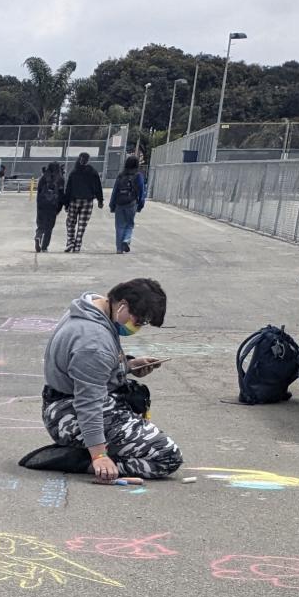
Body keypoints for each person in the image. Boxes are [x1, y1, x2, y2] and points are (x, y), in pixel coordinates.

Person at [40, 278, 180, 481]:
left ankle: (94, 449)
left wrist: (128, 366)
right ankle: (82, 460)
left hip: (64, 402)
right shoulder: (94, 341)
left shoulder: (91, 307)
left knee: (143, 432)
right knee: (167, 456)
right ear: (122, 305)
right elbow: (88, 402)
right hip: (69, 414)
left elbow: (85, 371)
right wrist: (99, 455)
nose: (138, 327)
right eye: (139, 321)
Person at [63, 151, 103, 252]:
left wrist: (66, 203)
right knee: (82, 225)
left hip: (74, 200)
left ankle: (70, 242)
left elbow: (68, 189)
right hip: (87, 201)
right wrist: (100, 200)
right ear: (88, 160)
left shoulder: (73, 172)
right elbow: (98, 187)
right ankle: (77, 246)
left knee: (70, 223)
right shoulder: (93, 172)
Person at [109, 152, 148, 253]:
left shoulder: (121, 175)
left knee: (119, 225)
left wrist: (112, 204)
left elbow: (115, 190)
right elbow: (141, 191)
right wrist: (140, 204)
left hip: (119, 203)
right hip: (132, 203)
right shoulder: (138, 175)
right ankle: (126, 240)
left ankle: (119, 249)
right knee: (129, 224)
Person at [33, 161, 65, 252]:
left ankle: (38, 236)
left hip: (42, 205)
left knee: (41, 223)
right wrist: (60, 207)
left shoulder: (43, 178)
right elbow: (61, 195)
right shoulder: (60, 179)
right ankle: (44, 246)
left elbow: (39, 192)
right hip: (53, 205)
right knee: (49, 226)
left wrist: (39, 204)